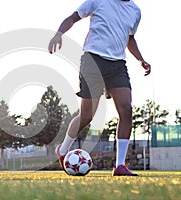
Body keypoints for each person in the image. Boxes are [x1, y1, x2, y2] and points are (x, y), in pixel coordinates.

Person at [48, 0, 151, 176]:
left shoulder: (135, 11)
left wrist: (141, 59)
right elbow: (73, 18)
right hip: (93, 61)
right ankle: (63, 149)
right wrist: (58, 33)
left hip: (118, 66)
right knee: (87, 116)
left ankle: (120, 166)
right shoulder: (98, 1)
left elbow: (129, 38)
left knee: (126, 110)